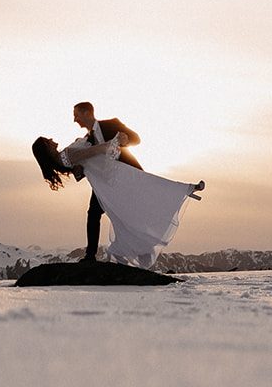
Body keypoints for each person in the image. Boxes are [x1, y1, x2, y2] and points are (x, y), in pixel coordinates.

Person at [31, 127, 205, 271]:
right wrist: (100, 148)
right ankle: (130, 251)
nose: (53, 139)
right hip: (105, 180)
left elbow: (84, 161)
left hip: (106, 179)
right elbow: (86, 160)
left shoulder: (62, 159)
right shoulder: (63, 158)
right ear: (46, 147)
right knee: (113, 212)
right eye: (48, 140)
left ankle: (97, 254)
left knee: (109, 213)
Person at [72, 100, 143, 261]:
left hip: (124, 179)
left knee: (125, 216)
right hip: (104, 183)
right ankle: (90, 256)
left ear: (87, 113)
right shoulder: (86, 140)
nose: (75, 120)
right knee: (93, 213)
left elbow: (136, 139)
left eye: (76, 115)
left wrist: (126, 140)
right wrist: (78, 170)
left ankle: (139, 250)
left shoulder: (112, 124)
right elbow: (88, 164)